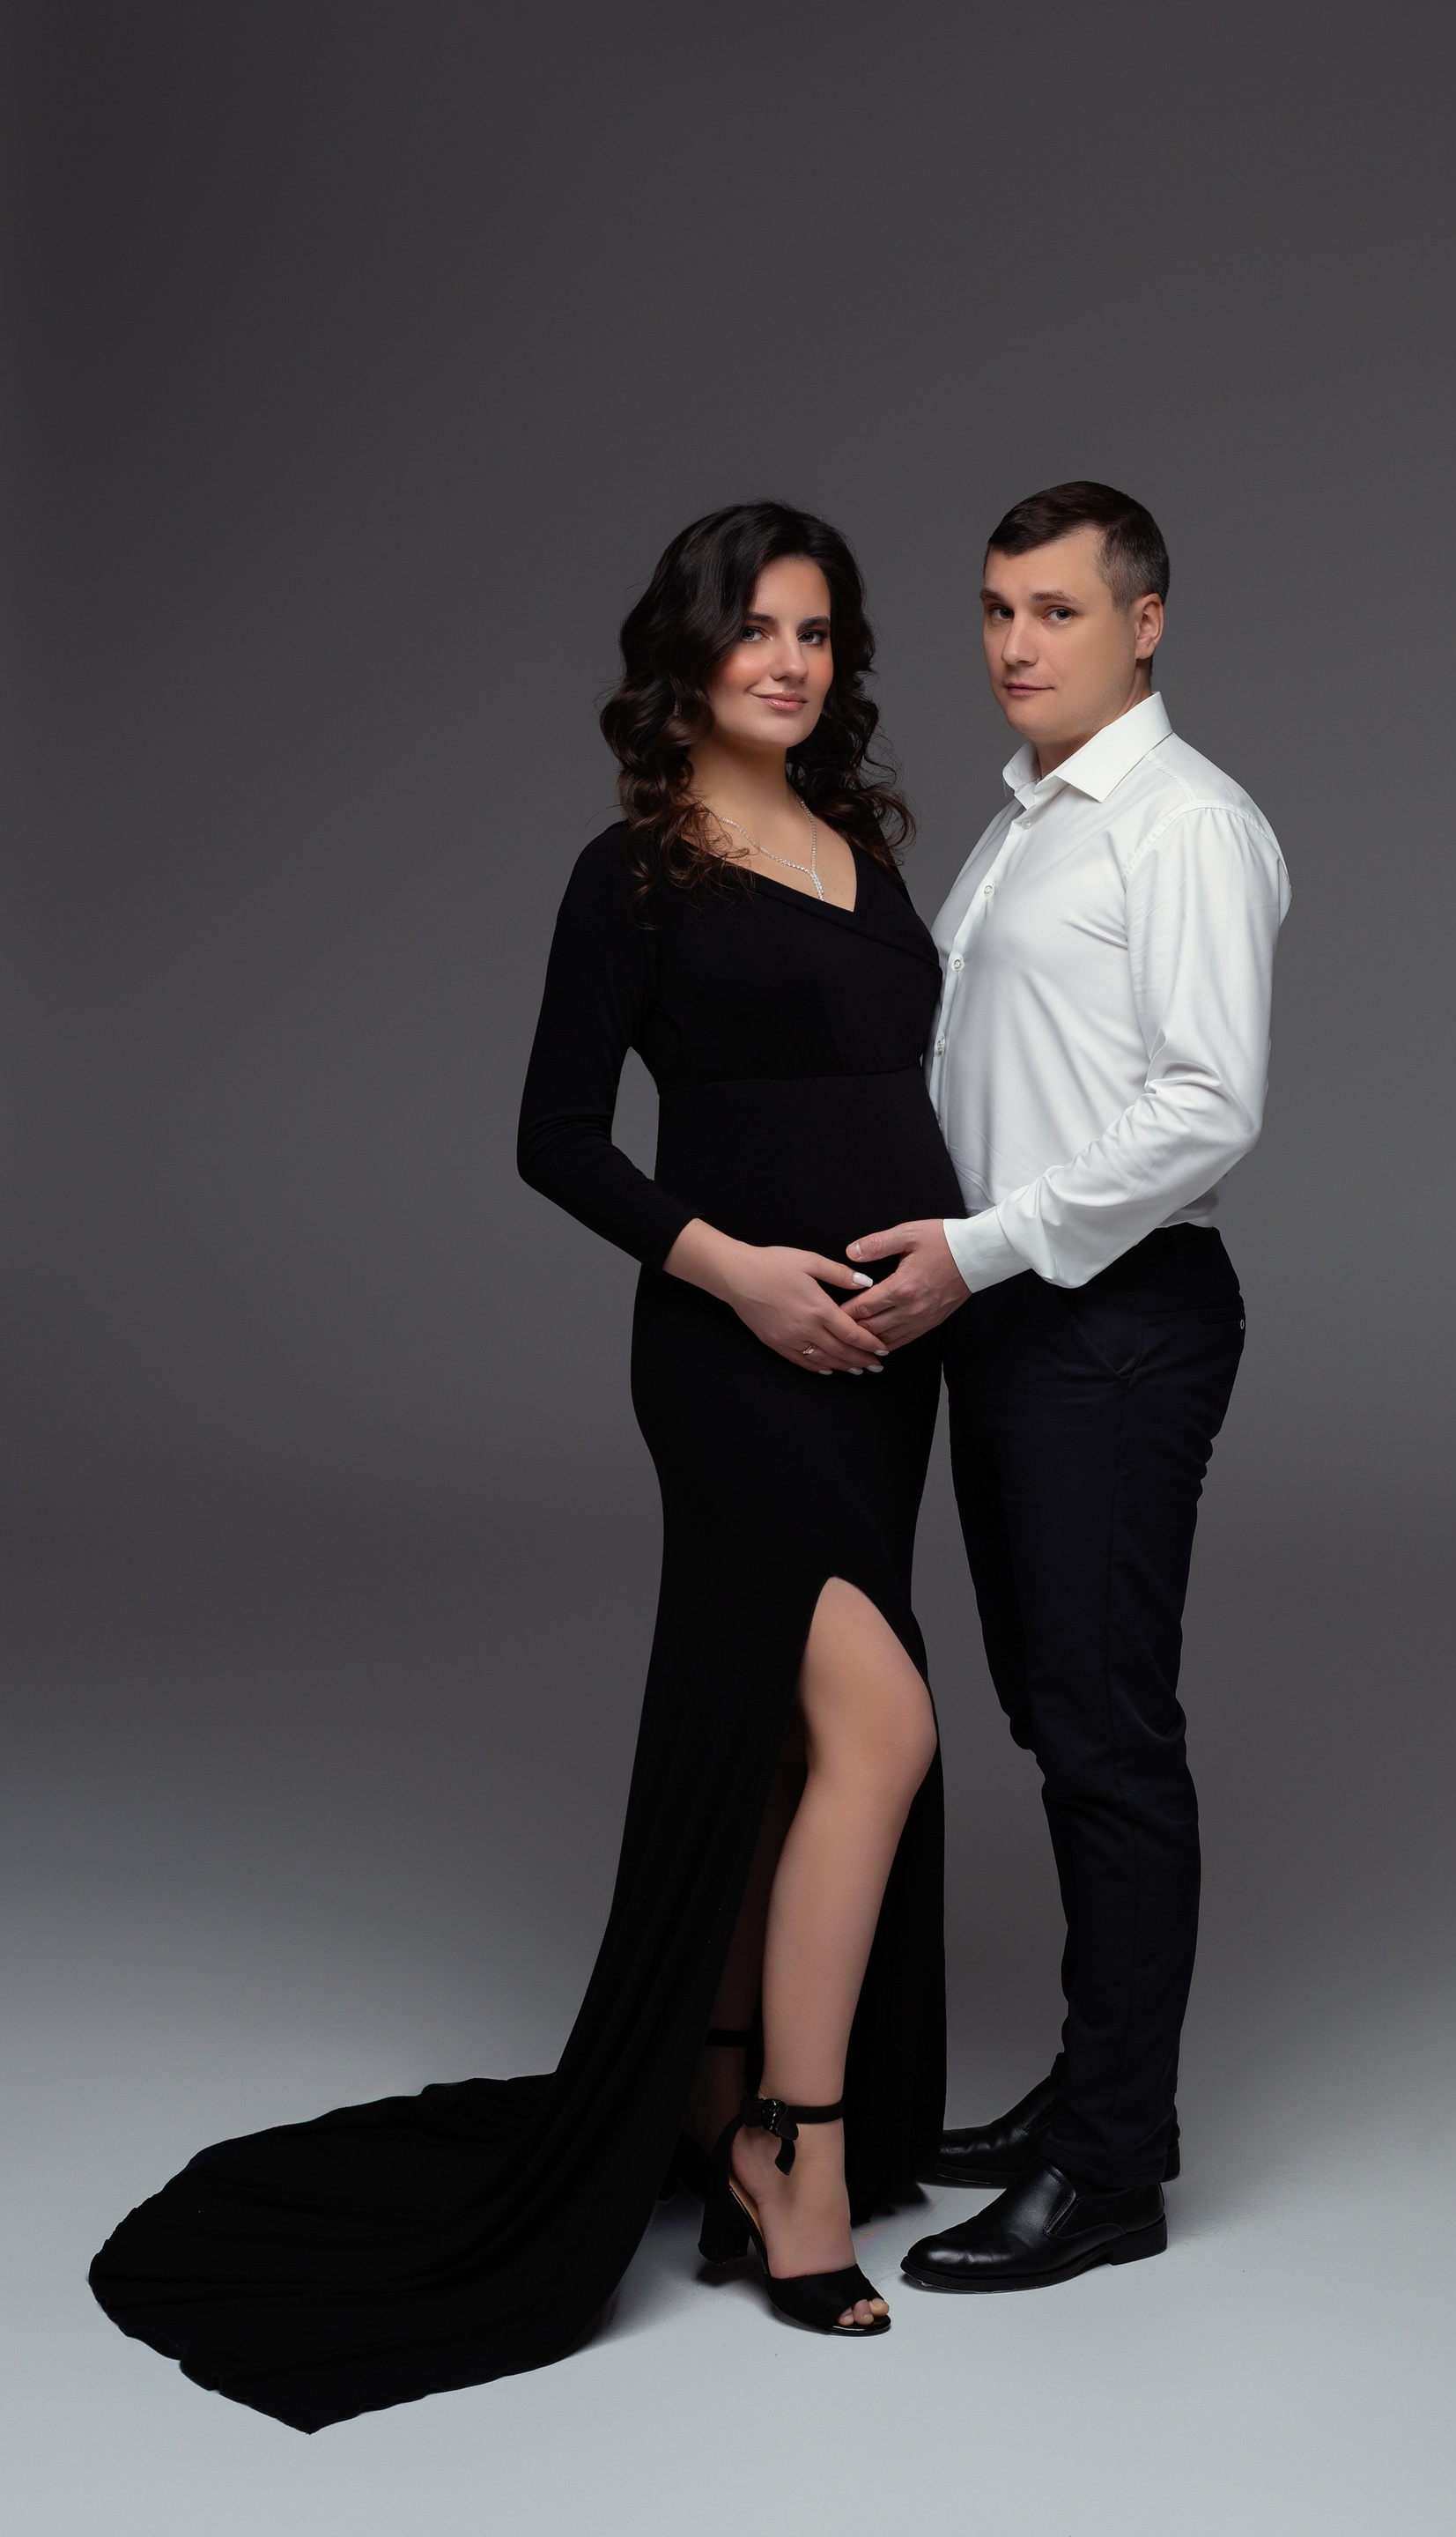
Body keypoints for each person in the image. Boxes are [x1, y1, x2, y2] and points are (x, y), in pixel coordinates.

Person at [87, 502, 963, 2427]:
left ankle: (719, 2091)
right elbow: (556, 1136)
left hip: (879, 1368)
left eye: (820, 632)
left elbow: (900, 1091)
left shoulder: (865, 845)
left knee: (787, 1742)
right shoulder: (631, 870)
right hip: (735, 1357)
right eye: (757, 629)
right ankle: (792, 2154)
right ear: (690, 653)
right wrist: (741, 1275)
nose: (792, 662)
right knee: (883, 1728)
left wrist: (948, 1266)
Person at [843, 481, 1289, 2292]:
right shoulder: (1028, 818)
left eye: (1057, 610)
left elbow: (1210, 1106)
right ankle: (1093, 2100)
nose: (1016, 644)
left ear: (1146, 622)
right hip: (1012, 1314)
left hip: (1112, 1324)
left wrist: (983, 1245)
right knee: (1054, 1711)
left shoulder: (1184, 825)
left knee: (1106, 1732)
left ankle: (1110, 2172)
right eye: (995, 609)